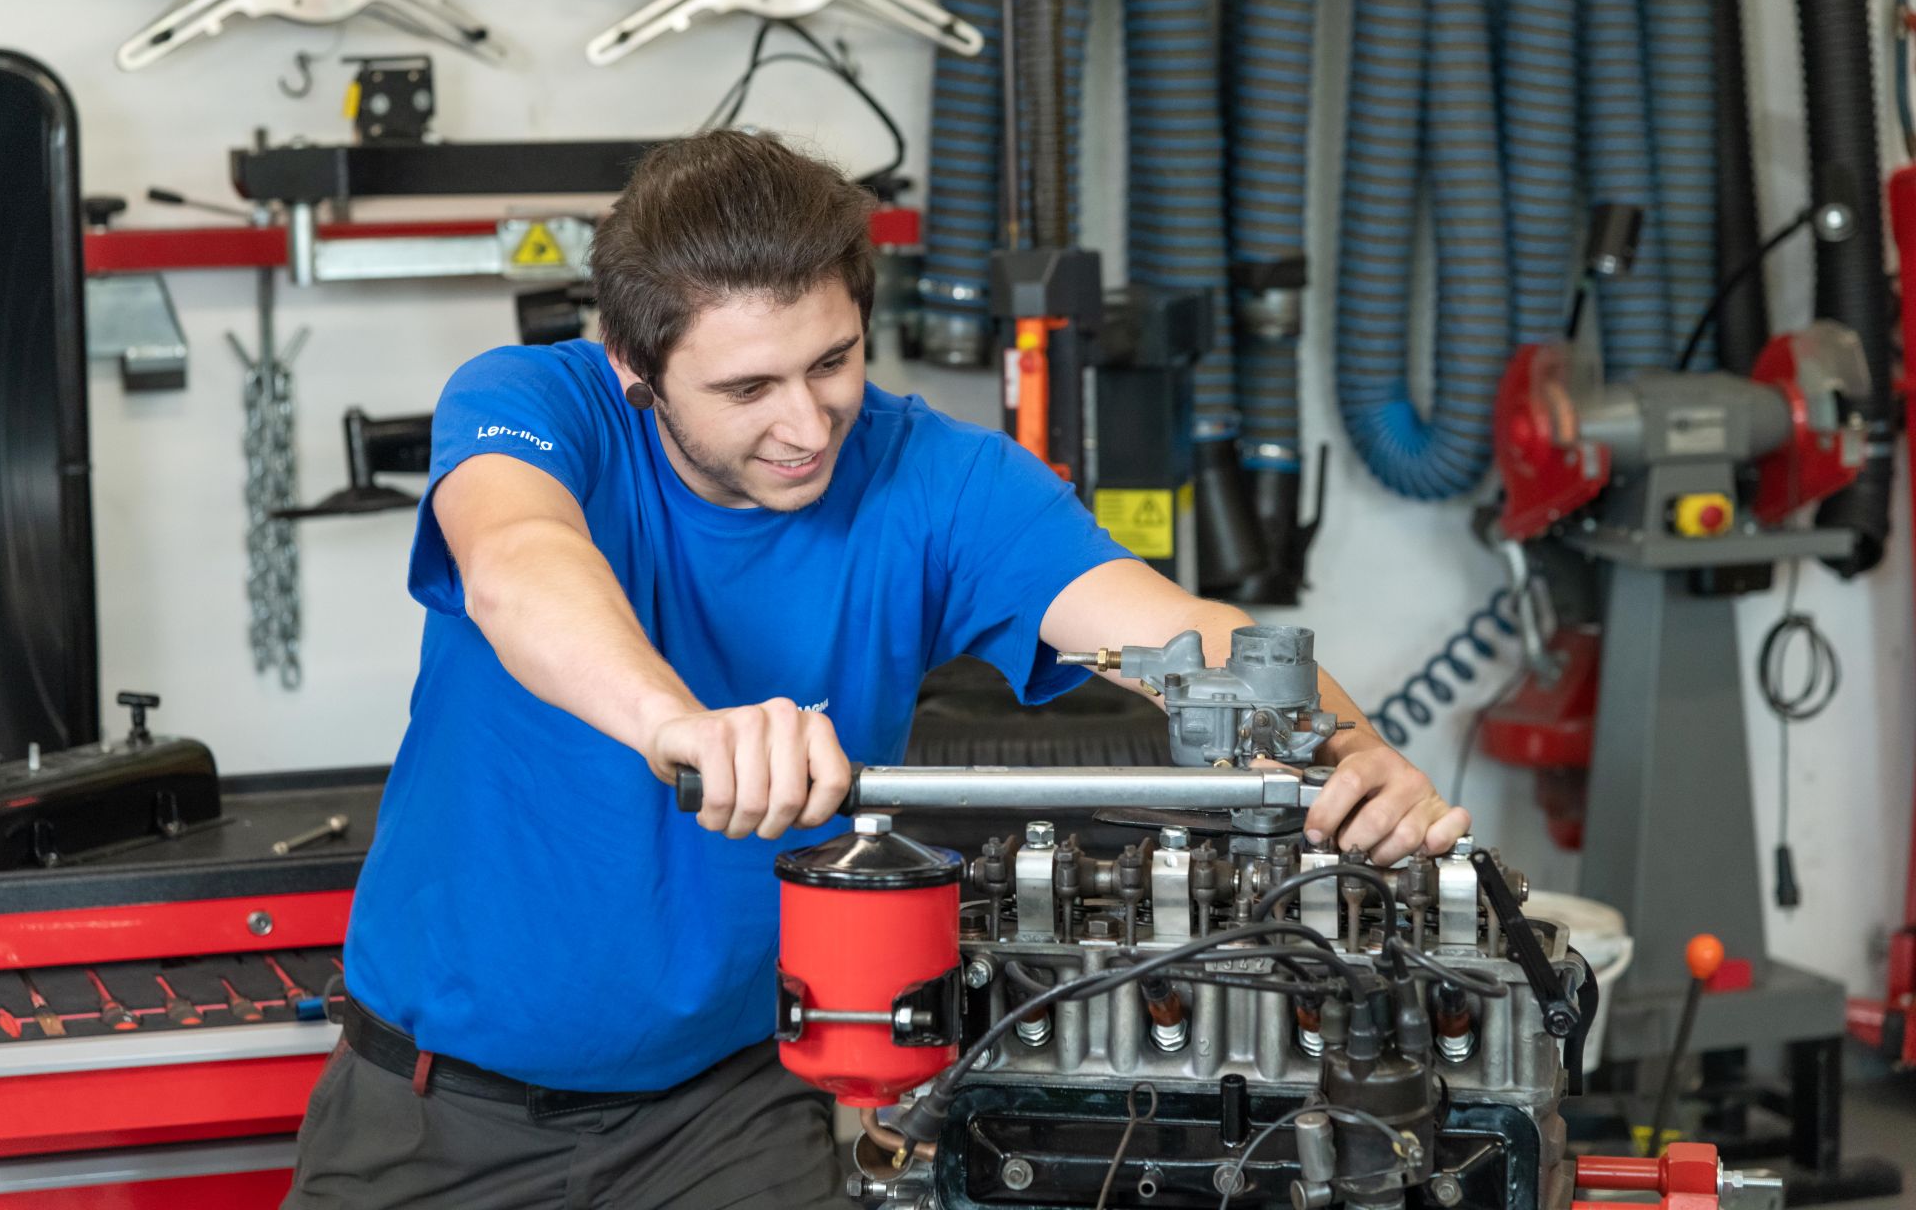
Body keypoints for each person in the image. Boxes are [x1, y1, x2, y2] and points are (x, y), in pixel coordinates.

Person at [285, 130, 1466, 1209]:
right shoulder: (537, 402)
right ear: (636, 366)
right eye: (747, 388)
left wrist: (1342, 748)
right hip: (434, 1114)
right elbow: (514, 561)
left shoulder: (938, 480)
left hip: (730, 1114)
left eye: (833, 360)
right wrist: (679, 726)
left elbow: (1178, 631)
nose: (807, 422)